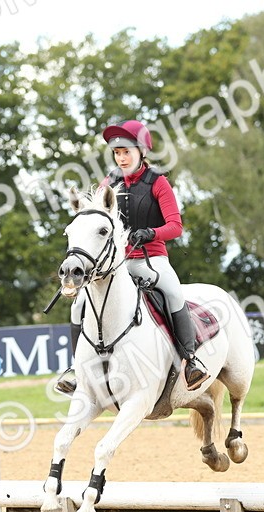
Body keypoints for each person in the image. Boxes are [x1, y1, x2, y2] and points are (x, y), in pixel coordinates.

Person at [55, 119, 208, 396]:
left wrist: (149, 233)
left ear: (142, 151)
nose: (122, 158)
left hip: (151, 259)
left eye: (127, 152)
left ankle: (191, 361)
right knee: (78, 305)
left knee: (173, 293)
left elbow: (175, 226)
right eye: (117, 153)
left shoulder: (158, 183)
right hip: (116, 264)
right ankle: (76, 369)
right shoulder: (110, 181)